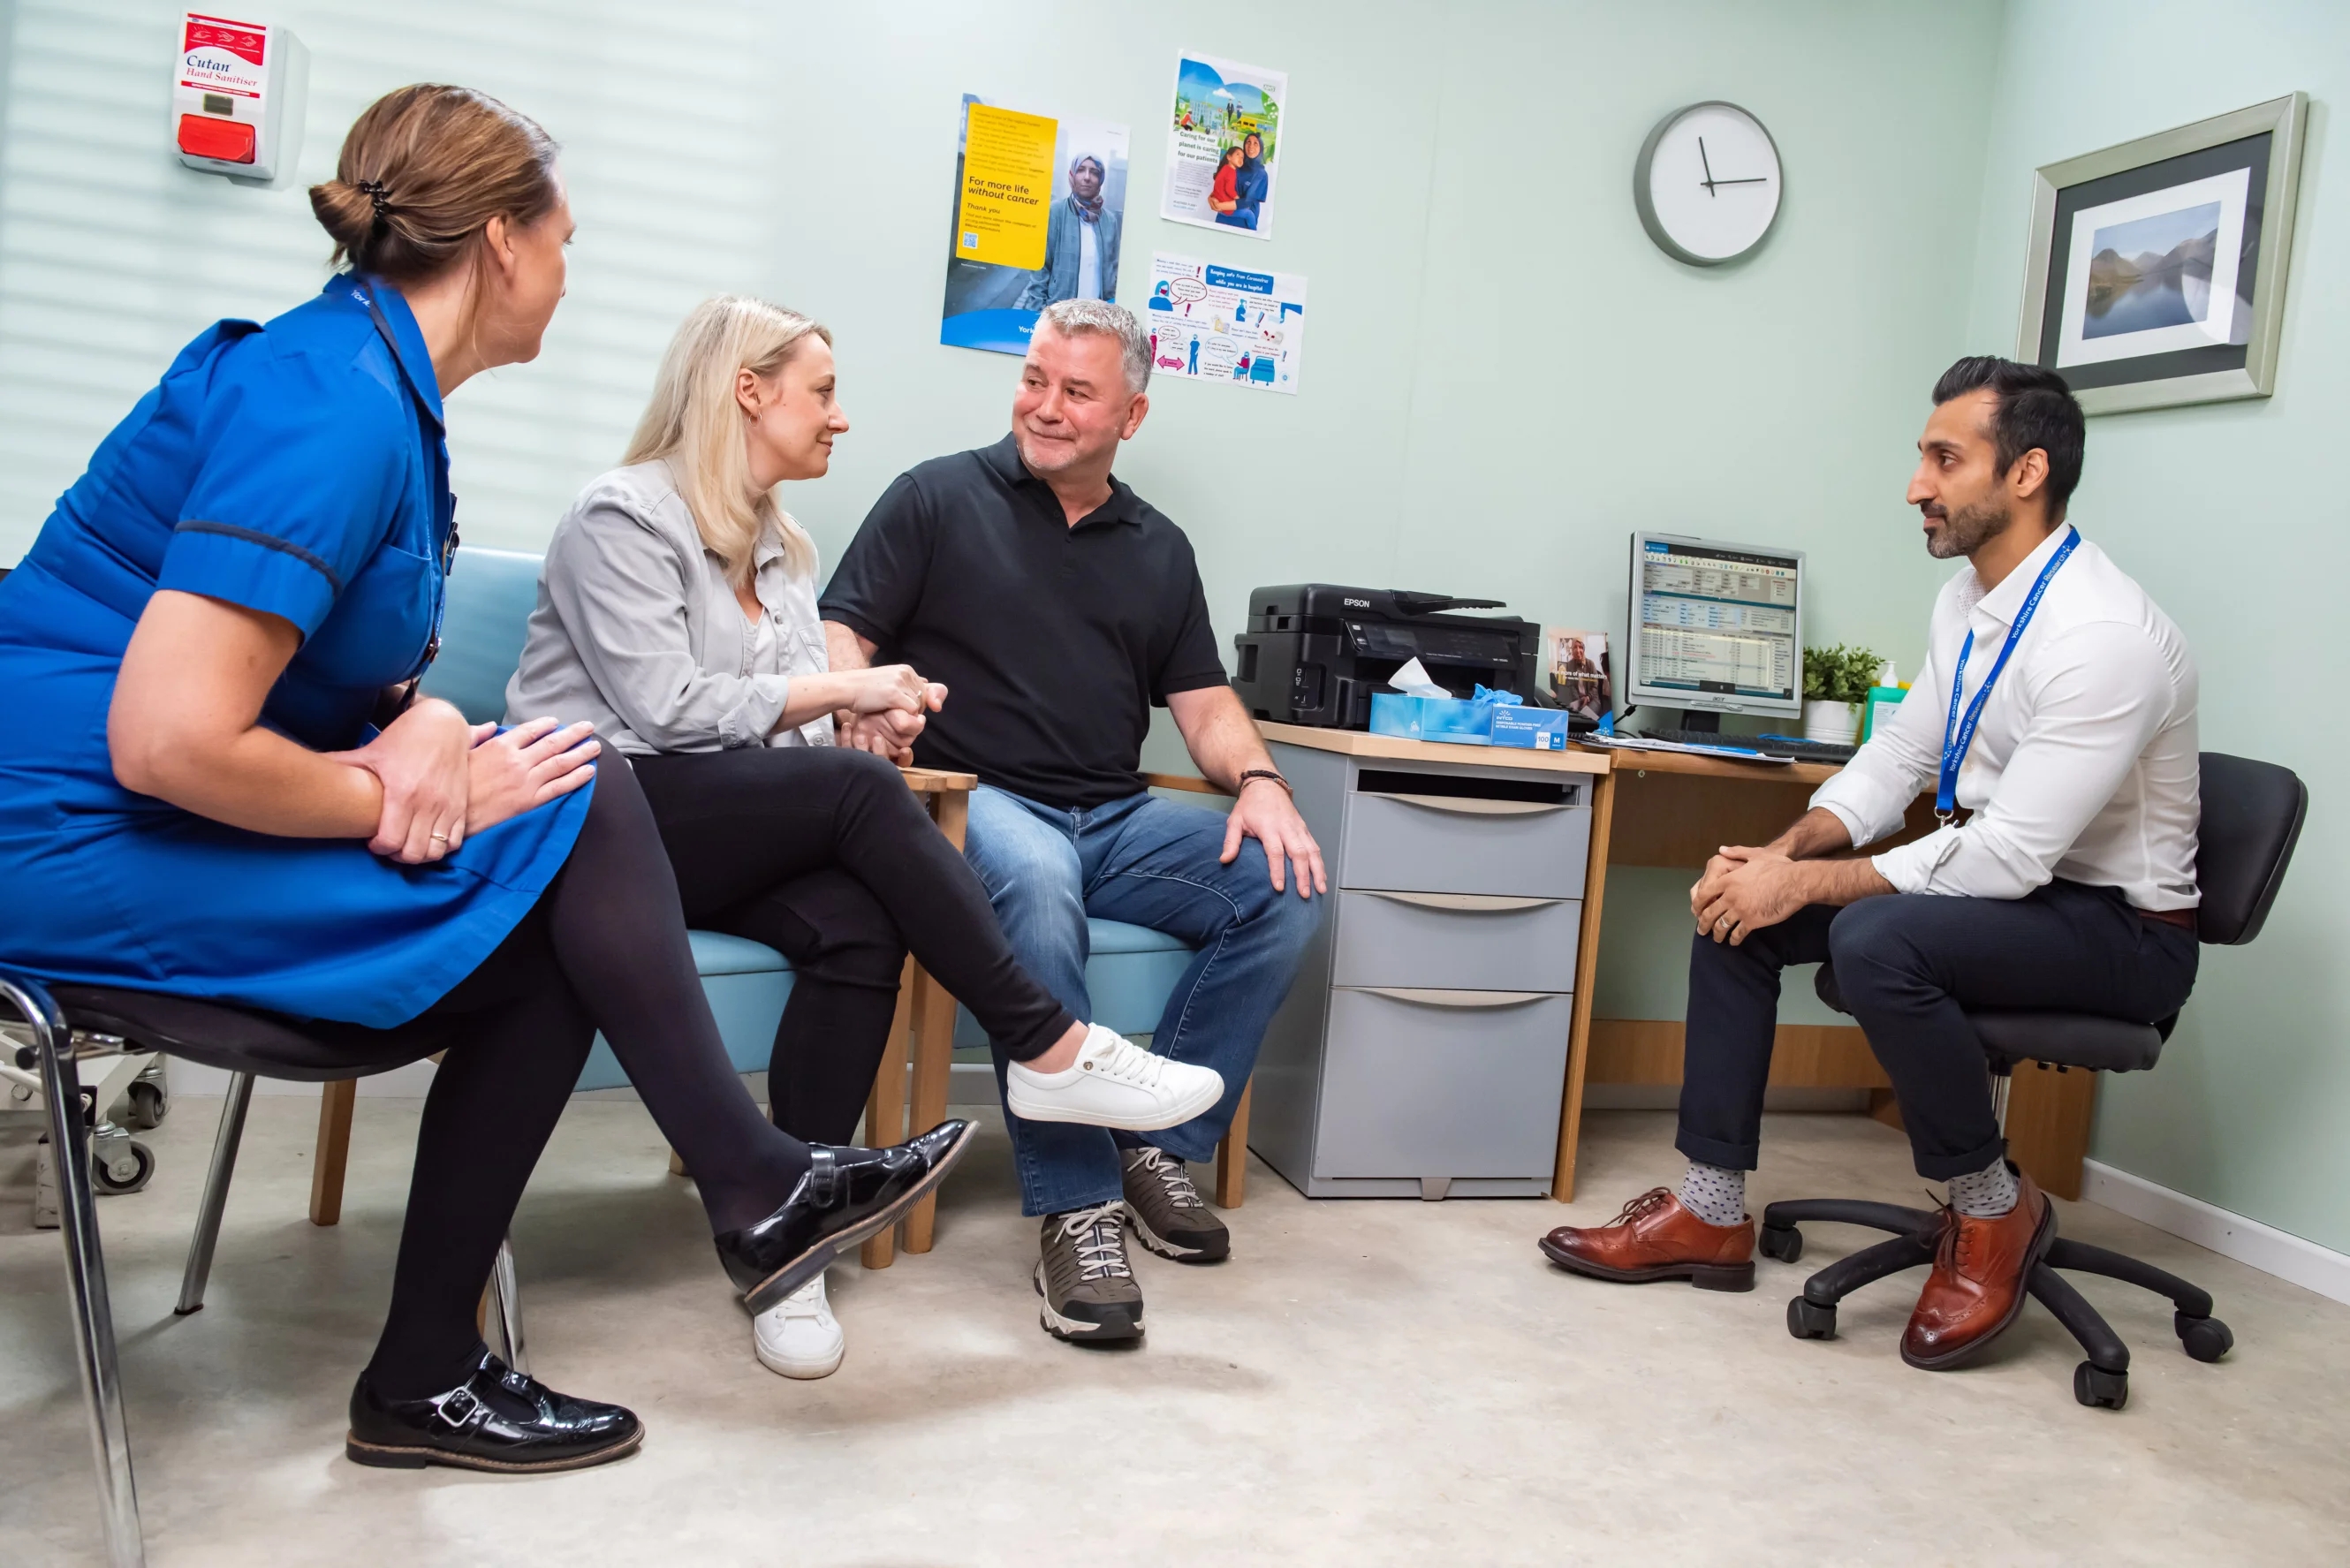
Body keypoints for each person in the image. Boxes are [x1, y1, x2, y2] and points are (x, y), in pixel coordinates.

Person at [0, 85, 977, 1475]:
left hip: (154, 807)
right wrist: (410, 789)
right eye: (566, 240)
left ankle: (432, 1369)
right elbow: (166, 738)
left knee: (556, 910)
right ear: (504, 244)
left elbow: (334, 664)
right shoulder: (328, 400)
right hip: (71, 831)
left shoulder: (382, 395)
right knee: (572, 795)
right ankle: (750, 1186)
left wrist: (422, 732)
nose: (570, 274)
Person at [506, 294, 1223, 1379]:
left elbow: (781, 726)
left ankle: (789, 1235)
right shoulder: (624, 517)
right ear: (750, 392)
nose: (840, 418)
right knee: (853, 796)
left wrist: (860, 715)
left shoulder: (781, 548)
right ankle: (1051, 1047)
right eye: (823, 392)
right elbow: (660, 710)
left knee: (857, 922)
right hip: (592, 820)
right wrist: (843, 691)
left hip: (708, 830)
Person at [1539, 358, 2200, 1374]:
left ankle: (1994, 1208)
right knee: (1732, 902)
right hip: (2010, 886)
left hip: (2119, 930)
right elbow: (1900, 756)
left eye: (1943, 458)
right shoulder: (1966, 598)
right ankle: (1709, 1209)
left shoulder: (2103, 638)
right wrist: (1778, 855)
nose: (1914, 485)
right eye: (1920, 456)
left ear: (2025, 473)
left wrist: (1809, 884)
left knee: (1871, 931)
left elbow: (2010, 853)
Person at [819, 299, 1327, 1347]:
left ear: (1128, 416)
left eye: (1076, 391)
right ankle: (1076, 1205)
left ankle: (1159, 1139)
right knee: (1040, 884)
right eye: (1033, 380)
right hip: (978, 806)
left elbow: (1202, 706)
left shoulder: (1159, 548)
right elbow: (840, 632)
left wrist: (1263, 782)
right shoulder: (935, 498)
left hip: (1119, 812)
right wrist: (857, 701)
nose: (1044, 408)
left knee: (1282, 878)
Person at [1017, 154, 1119, 309]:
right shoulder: (1056, 212)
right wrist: (1037, 314)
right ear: (1072, 175)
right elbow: (1040, 268)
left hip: (1096, 319)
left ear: (1101, 179)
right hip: (1059, 316)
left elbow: (1114, 272)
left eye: (1094, 172)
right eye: (1081, 170)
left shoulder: (1109, 221)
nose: (1087, 177)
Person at [1216, 133, 1269, 230]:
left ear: (1261, 147)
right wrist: (1211, 200)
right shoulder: (1235, 166)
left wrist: (1219, 205)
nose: (1251, 146)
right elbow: (1219, 187)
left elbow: (1246, 203)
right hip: (1223, 220)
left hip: (1244, 225)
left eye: (1255, 143)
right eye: (1248, 142)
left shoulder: (1261, 174)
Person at [1209, 143, 1244, 217]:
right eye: (1238, 155)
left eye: (1242, 157)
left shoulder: (1225, 168)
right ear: (1229, 157)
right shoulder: (1231, 172)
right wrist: (1238, 199)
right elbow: (1229, 190)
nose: (1240, 158)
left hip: (1218, 200)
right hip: (1225, 206)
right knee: (1249, 215)